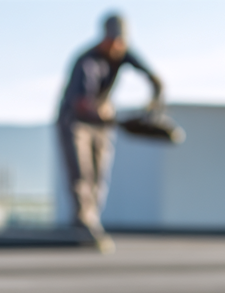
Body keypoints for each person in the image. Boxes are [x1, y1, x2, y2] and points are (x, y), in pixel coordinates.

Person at [57, 13, 163, 253]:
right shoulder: (87, 61)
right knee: (81, 173)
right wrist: (115, 118)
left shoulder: (124, 54)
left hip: (102, 123)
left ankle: (92, 220)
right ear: (104, 38)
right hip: (76, 121)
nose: (116, 47)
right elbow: (81, 103)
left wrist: (155, 103)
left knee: (98, 174)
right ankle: (84, 223)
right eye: (112, 41)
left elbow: (154, 79)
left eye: (120, 42)